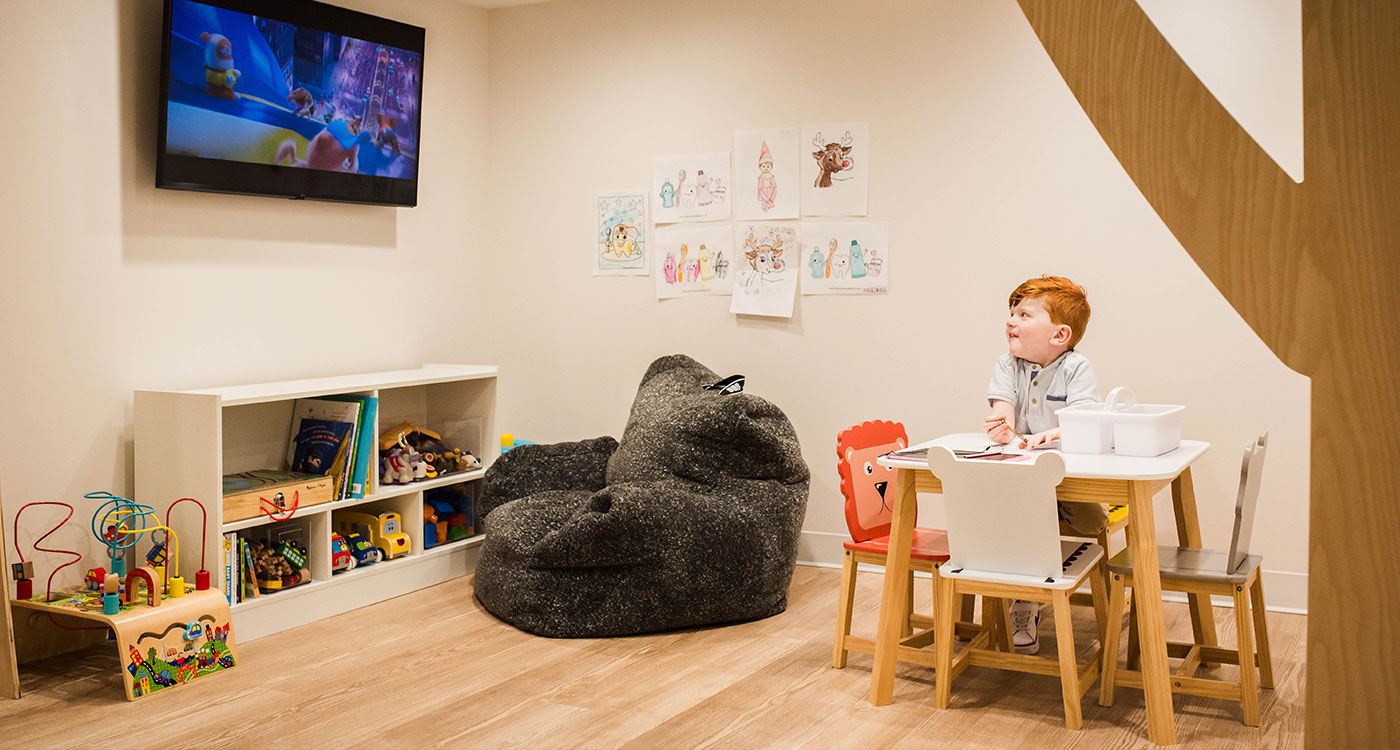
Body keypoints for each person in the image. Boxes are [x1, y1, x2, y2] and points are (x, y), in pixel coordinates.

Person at [984, 275, 1105, 654]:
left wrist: (1052, 434)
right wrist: (1001, 428)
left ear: (1059, 335)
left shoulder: (1076, 368)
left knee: (1091, 523)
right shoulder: (1008, 365)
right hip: (1023, 482)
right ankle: (1025, 601)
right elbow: (1002, 412)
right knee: (1019, 521)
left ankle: (1041, 586)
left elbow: (1085, 418)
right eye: (1012, 313)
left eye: (1024, 314)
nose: (1011, 322)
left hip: (1069, 480)